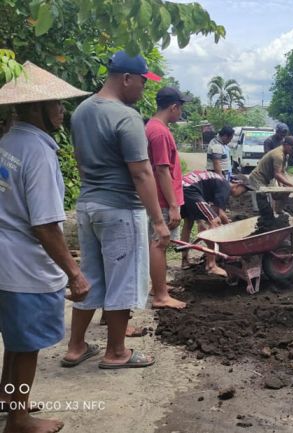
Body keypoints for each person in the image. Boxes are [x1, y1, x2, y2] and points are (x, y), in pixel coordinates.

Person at [0, 61, 91, 433]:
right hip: (23, 265)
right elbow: (45, 225)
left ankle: (9, 398)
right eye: (55, 104)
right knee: (27, 346)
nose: (61, 111)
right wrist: (74, 272)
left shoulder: (8, 142)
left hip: (6, 259)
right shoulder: (38, 152)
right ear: (35, 107)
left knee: (15, 338)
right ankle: (19, 419)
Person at [63, 50, 167, 370]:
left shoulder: (81, 112)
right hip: (120, 209)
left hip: (89, 206)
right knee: (123, 280)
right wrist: (159, 221)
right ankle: (116, 352)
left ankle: (76, 346)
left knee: (91, 277)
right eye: (142, 82)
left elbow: (81, 163)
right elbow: (142, 173)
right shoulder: (126, 116)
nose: (144, 89)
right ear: (125, 79)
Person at [145, 87, 191, 310]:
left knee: (159, 244)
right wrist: (173, 205)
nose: (180, 112)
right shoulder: (160, 132)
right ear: (173, 107)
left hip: (161, 198)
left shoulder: (154, 128)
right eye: (180, 108)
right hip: (163, 201)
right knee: (159, 244)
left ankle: (158, 287)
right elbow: (162, 170)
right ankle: (160, 295)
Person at [180, 171, 253, 276]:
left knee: (188, 223)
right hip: (191, 189)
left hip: (182, 186)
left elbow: (212, 209)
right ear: (238, 185)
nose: (243, 194)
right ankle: (211, 265)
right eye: (244, 190)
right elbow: (220, 214)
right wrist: (233, 230)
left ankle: (184, 261)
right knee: (215, 221)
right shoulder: (225, 186)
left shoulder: (218, 182)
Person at [248, 135, 293, 219]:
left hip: (269, 178)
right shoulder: (278, 155)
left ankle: (279, 210)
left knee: (284, 191)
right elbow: (277, 174)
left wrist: (287, 184)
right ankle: (265, 218)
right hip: (258, 178)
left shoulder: (286, 154)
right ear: (286, 145)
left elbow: (282, 172)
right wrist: (291, 184)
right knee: (263, 198)